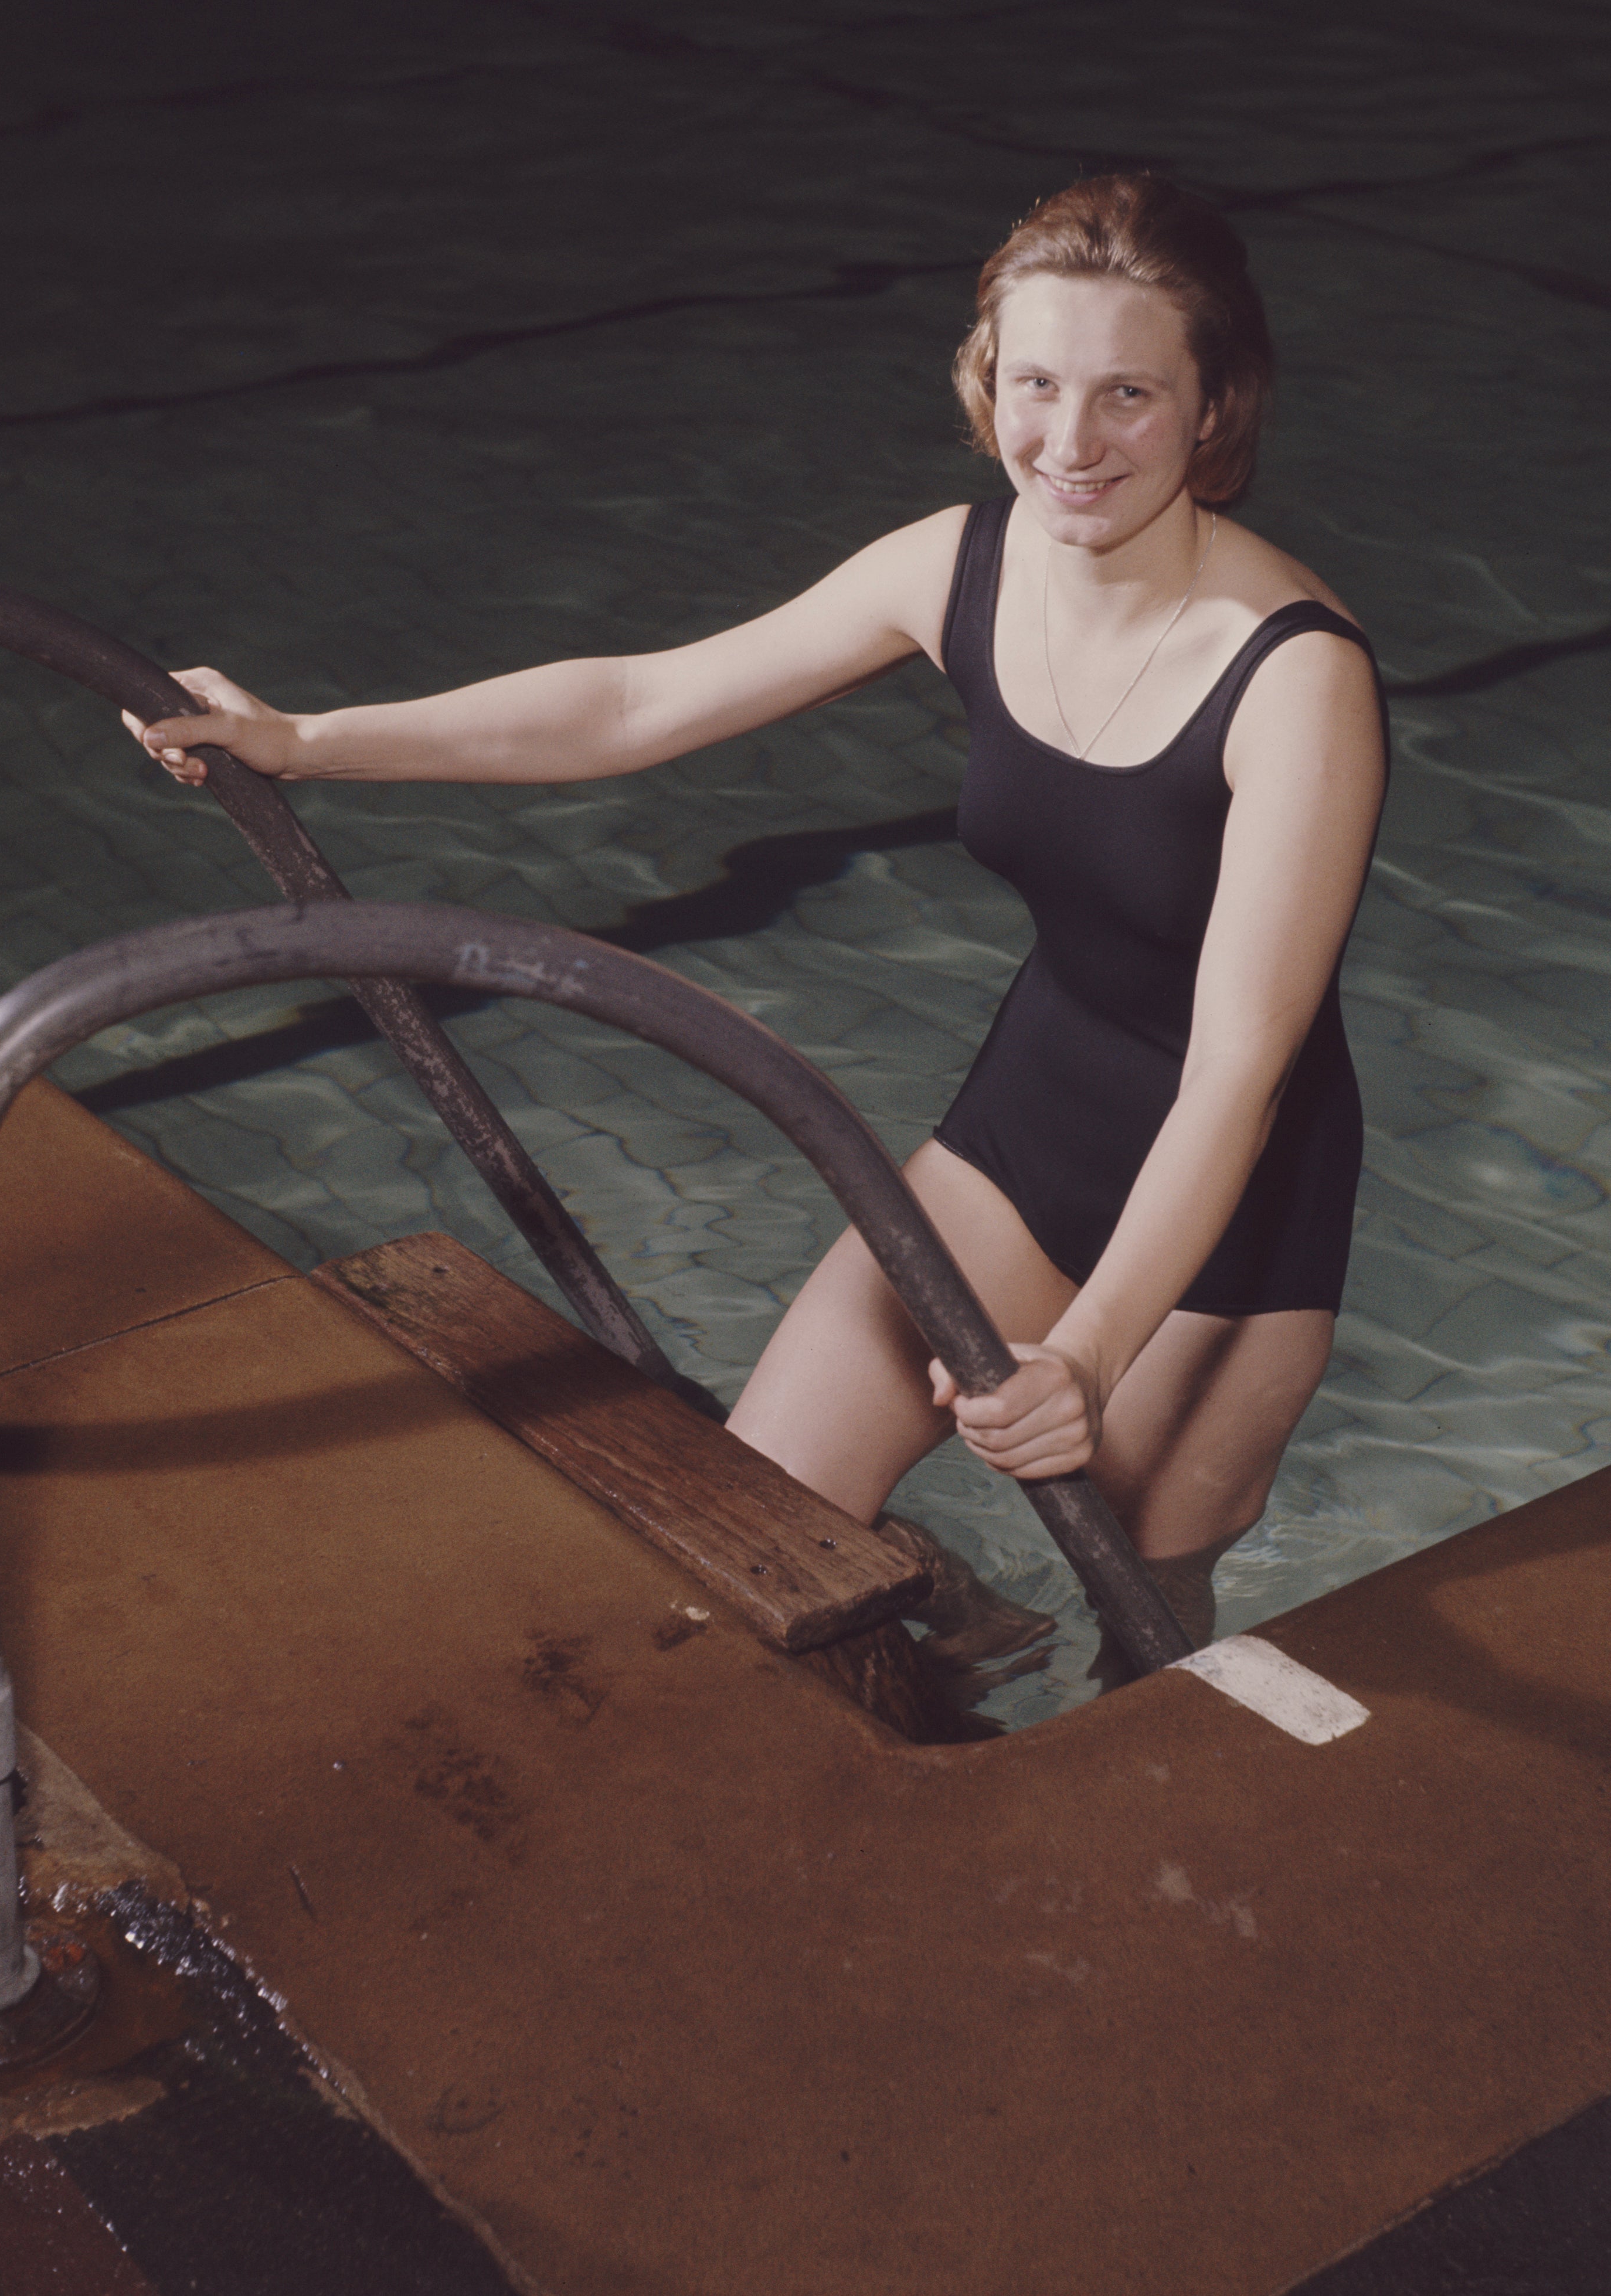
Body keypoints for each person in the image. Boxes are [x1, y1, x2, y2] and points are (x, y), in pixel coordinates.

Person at [131, 174, 1388, 1661]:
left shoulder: (1294, 674)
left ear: (1212, 407)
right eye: (1037, 382)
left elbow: (1239, 1071)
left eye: (1130, 391)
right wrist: (310, 738)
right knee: (758, 1527)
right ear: (988, 380)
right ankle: (929, 1603)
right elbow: (641, 699)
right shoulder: (960, 564)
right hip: (1042, 1110)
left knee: (1147, 1632)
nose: (1069, 440)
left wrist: (1091, 1355)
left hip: (1235, 1197)